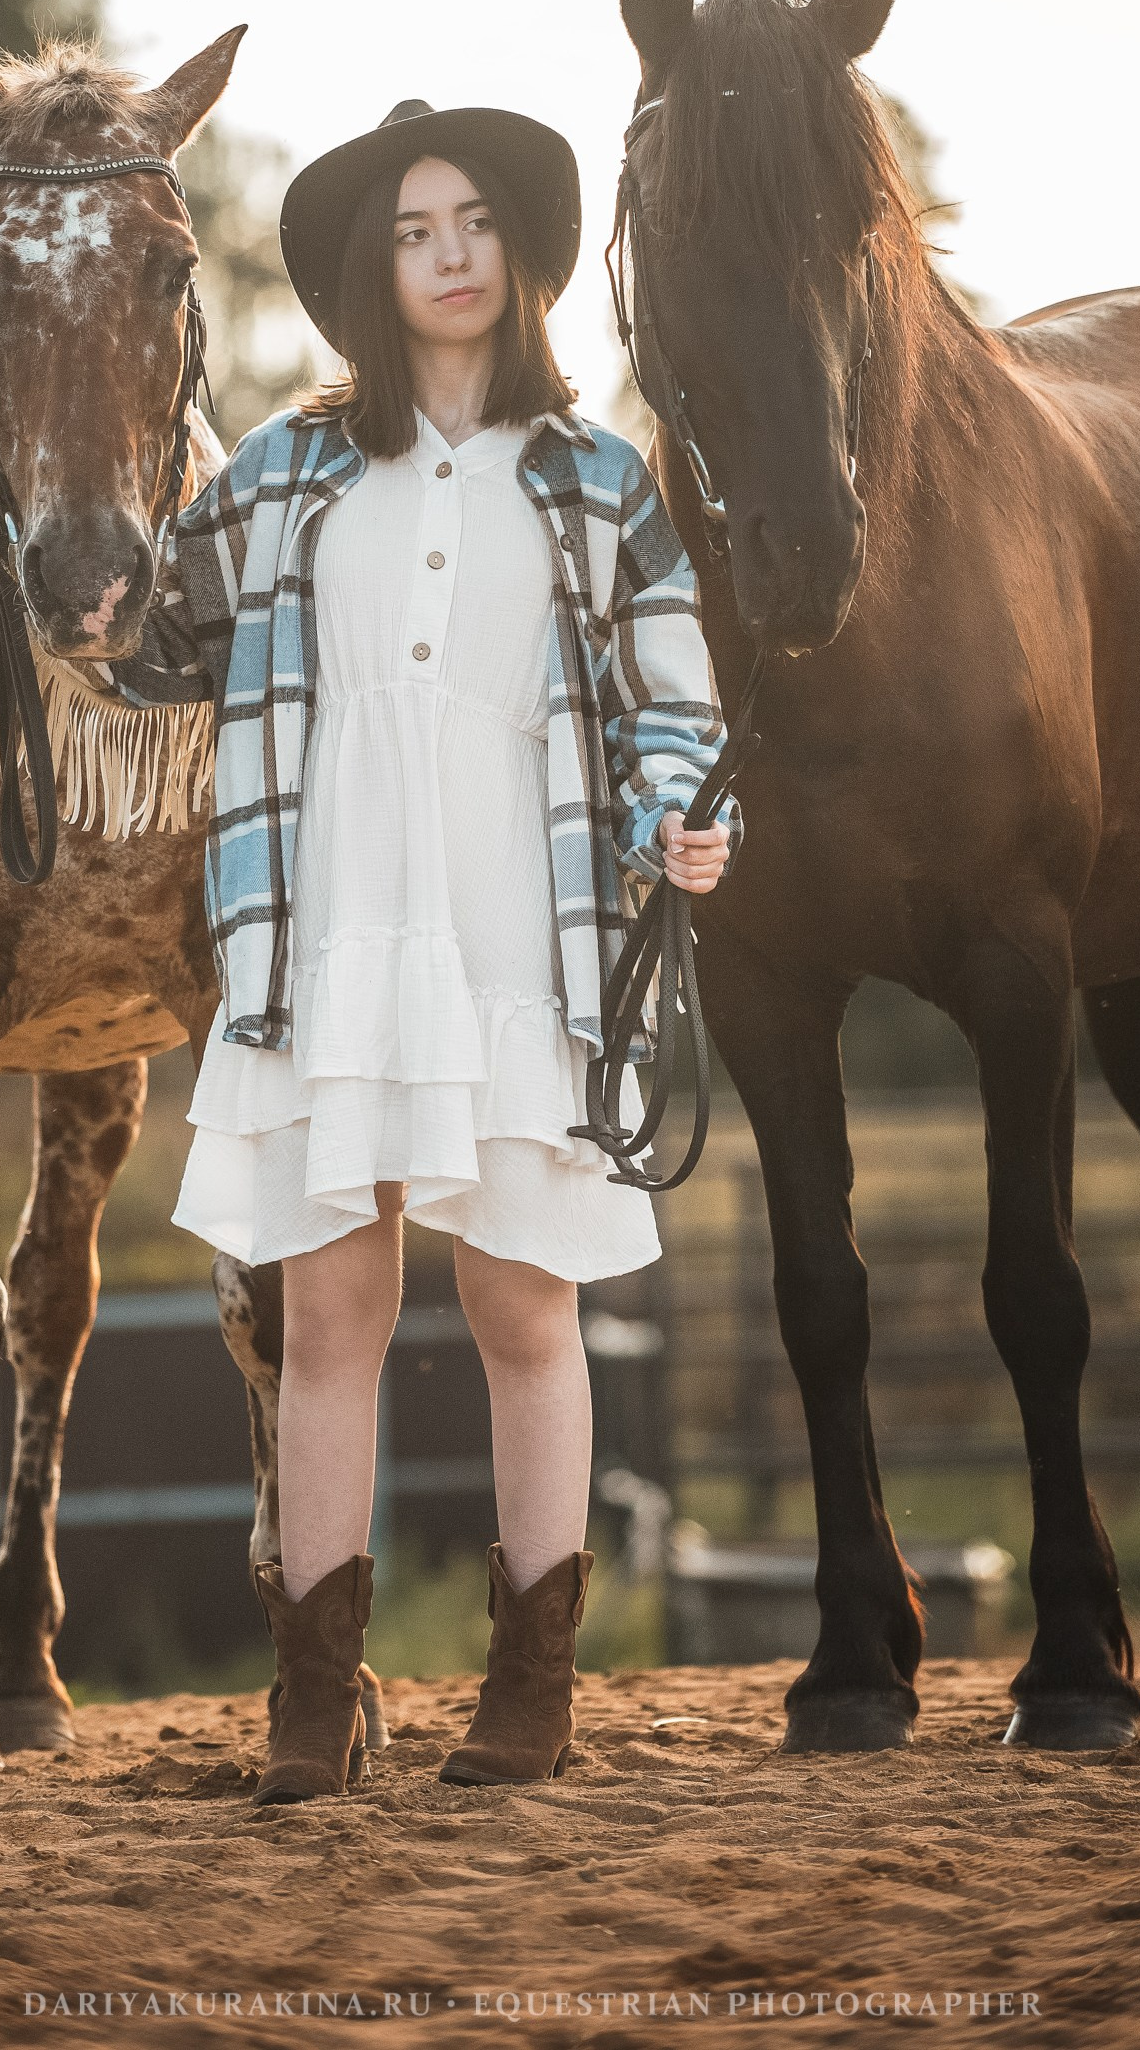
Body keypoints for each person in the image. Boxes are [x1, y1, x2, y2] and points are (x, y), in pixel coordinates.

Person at [155, 97, 732, 1805]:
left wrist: (687, 823)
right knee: (330, 1302)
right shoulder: (282, 467)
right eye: (414, 231)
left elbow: (678, 709)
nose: (451, 254)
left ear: (522, 247)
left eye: (474, 220)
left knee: (517, 1297)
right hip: (330, 919)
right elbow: (139, 636)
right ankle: (312, 1705)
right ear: (372, 266)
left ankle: (531, 1689)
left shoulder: (599, 479)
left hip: (519, 930)